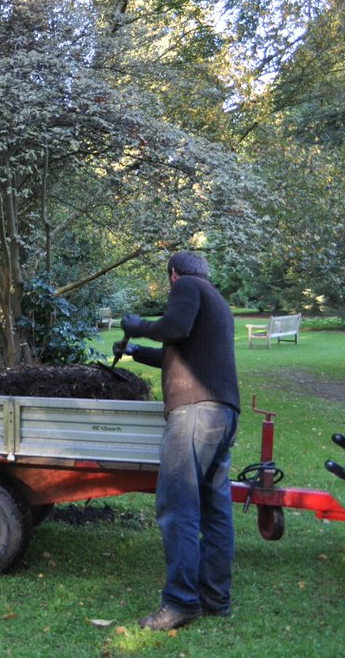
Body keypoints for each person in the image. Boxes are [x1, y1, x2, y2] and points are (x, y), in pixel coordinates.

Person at [117, 251, 241, 631]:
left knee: (178, 507)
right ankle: (215, 599)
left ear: (173, 274)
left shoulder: (187, 286)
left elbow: (174, 329)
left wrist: (137, 326)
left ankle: (181, 603)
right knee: (216, 511)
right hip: (223, 414)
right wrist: (135, 351)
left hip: (194, 414)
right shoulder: (216, 301)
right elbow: (178, 351)